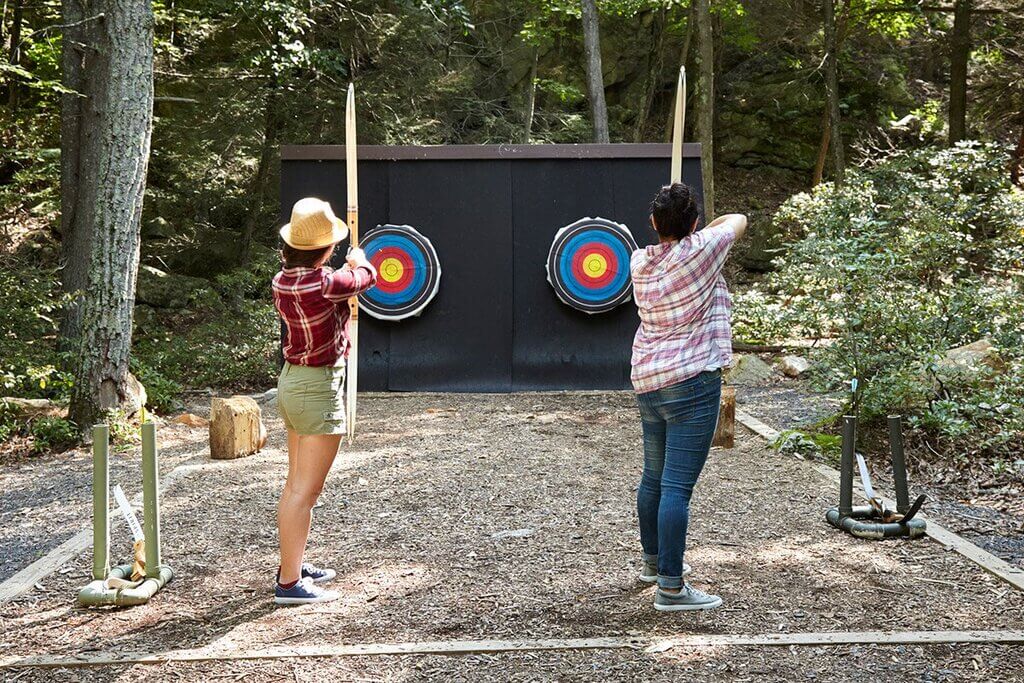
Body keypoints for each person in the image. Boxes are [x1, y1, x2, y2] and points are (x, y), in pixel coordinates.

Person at [630, 183, 747, 612]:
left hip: (649, 380)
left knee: (654, 479)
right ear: (695, 224)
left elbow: (694, 236)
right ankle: (672, 588)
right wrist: (699, 230)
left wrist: (684, 227)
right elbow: (738, 221)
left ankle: (654, 564)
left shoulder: (639, 260)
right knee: (676, 487)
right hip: (692, 382)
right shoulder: (702, 251)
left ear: (653, 224)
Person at [271, 197, 377, 605]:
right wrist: (361, 259)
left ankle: (291, 566)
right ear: (324, 250)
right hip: (315, 389)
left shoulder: (284, 280)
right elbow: (364, 279)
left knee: (295, 485)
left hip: (294, 383)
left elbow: (330, 280)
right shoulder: (325, 284)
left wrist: (342, 265)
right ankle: (289, 586)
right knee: (305, 491)